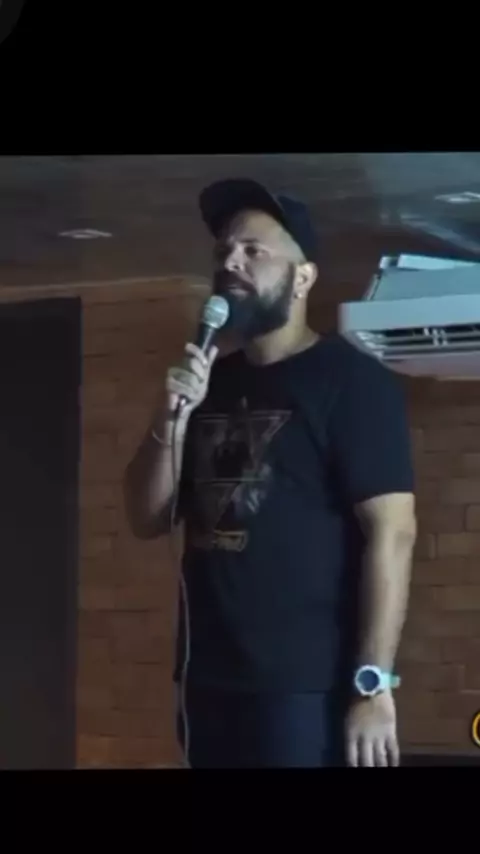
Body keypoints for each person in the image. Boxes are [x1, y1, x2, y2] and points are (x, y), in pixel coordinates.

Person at [123, 178, 417, 768]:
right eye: (224, 251)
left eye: (253, 250)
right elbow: (146, 517)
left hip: (305, 686)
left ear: (303, 278)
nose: (231, 262)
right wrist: (170, 420)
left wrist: (373, 683)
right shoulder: (209, 382)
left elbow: (394, 532)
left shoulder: (352, 383)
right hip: (208, 679)